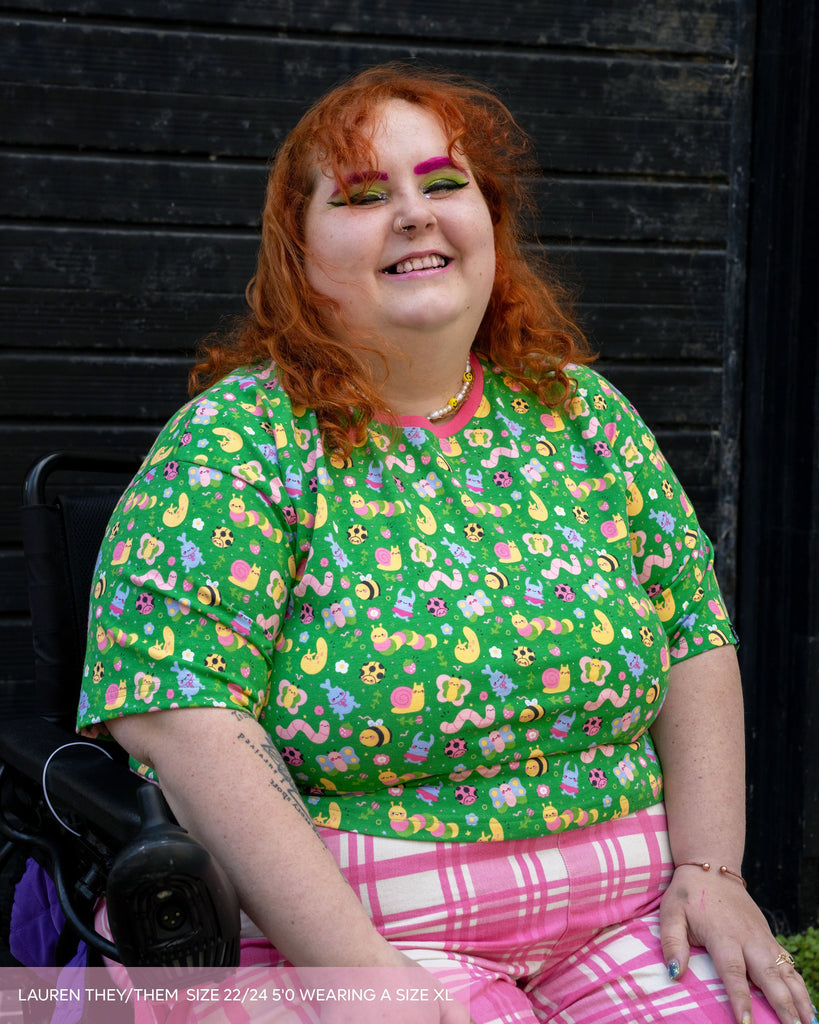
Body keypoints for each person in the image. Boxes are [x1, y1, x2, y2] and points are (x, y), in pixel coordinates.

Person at [77, 64, 815, 1024]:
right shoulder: (238, 443)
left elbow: (691, 636)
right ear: (298, 253)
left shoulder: (581, 413)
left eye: (442, 183)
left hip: (625, 918)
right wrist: (355, 972)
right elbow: (179, 715)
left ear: (490, 225)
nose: (415, 214)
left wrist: (713, 869)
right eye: (364, 195)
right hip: (359, 934)